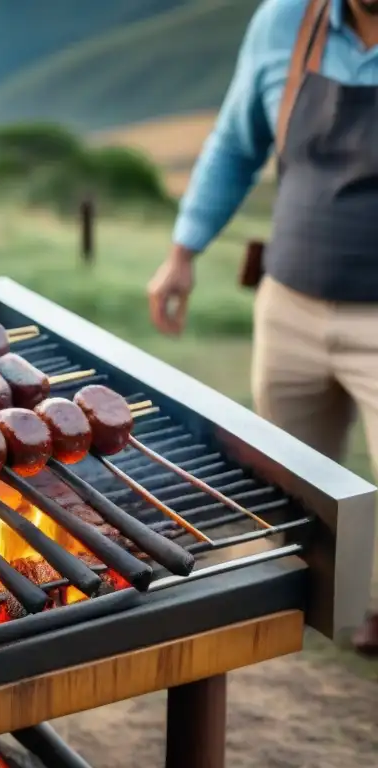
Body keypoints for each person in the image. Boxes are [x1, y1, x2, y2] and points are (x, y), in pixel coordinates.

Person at [146, 0, 378, 654]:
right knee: (293, 495)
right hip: (288, 309)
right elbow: (234, 142)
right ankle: (303, 623)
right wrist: (182, 255)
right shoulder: (285, 22)